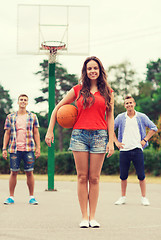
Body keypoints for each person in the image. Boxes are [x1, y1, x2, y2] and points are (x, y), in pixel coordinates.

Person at [45, 56, 114, 228]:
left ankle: (93, 217)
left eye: (95, 68)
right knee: (82, 177)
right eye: (89, 68)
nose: (92, 71)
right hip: (79, 136)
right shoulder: (77, 90)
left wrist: (111, 140)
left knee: (95, 178)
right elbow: (56, 109)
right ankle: (84, 217)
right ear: (85, 71)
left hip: (100, 135)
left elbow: (110, 117)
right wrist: (49, 130)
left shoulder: (108, 92)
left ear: (100, 70)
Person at [114, 96, 158, 206]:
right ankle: (123, 197)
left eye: (130, 102)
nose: (129, 105)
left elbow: (154, 128)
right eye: (126, 103)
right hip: (124, 150)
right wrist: (116, 142)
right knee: (123, 176)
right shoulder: (120, 117)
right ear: (124, 105)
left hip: (138, 150)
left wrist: (145, 139)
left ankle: (144, 197)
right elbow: (110, 129)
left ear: (134, 103)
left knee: (141, 175)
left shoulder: (141, 117)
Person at [2, 94, 41, 205]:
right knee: (13, 172)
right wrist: (4, 148)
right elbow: (7, 133)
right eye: (21, 100)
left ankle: (31, 197)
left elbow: (36, 132)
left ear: (27, 102)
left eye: (25, 100)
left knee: (29, 172)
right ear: (18, 102)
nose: (23, 101)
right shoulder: (10, 117)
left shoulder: (33, 117)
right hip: (14, 149)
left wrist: (38, 147)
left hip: (29, 148)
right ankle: (11, 197)